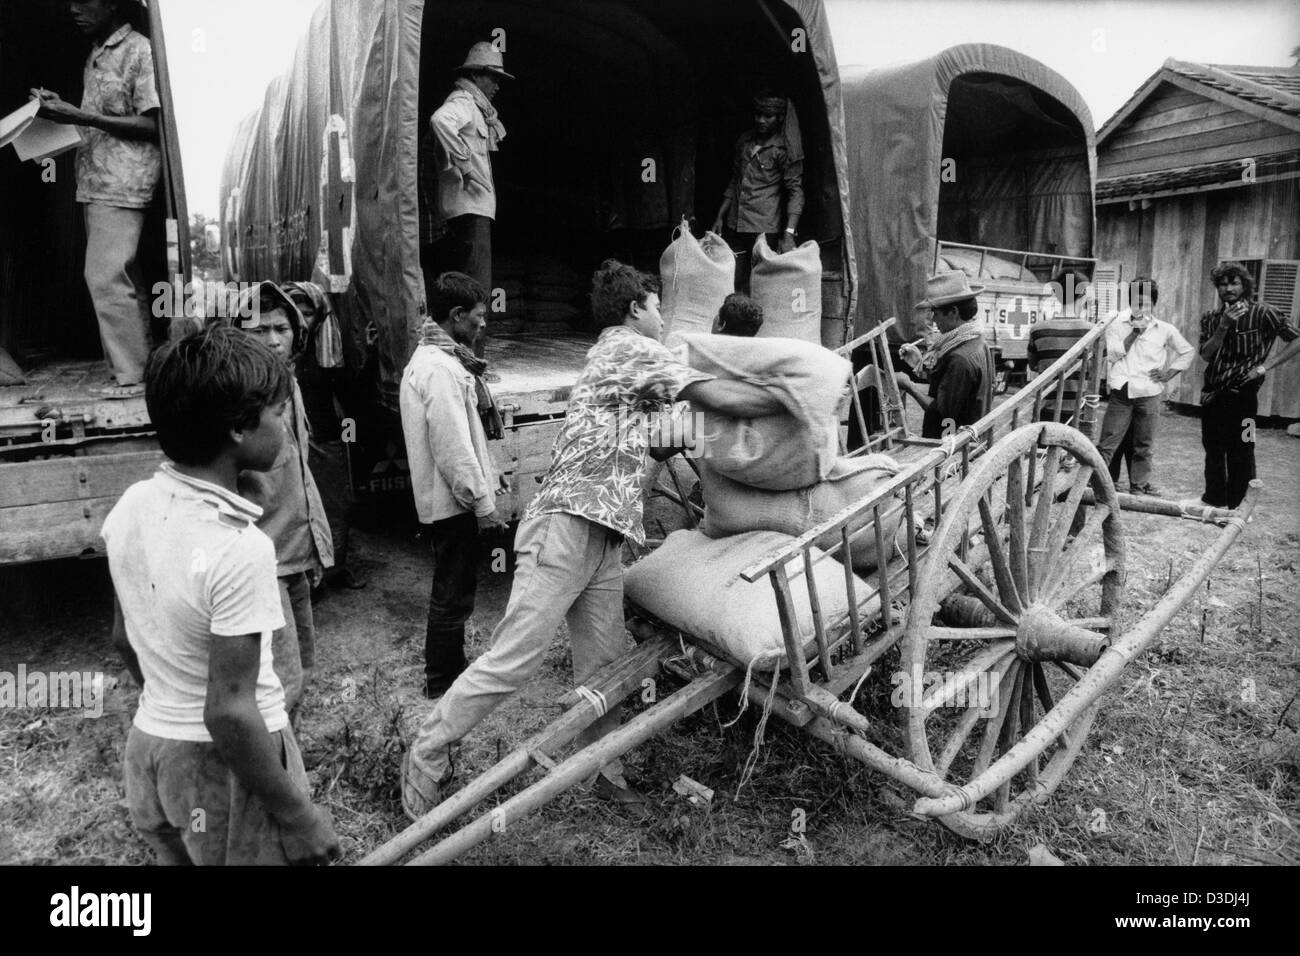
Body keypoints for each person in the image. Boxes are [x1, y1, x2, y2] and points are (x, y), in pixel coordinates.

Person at [401, 259, 787, 819]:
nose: (662, 317)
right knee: (514, 659)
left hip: (603, 533)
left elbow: (662, 438)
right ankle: (428, 749)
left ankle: (605, 770)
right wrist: (792, 399)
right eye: (656, 306)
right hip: (565, 526)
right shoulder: (628, 349)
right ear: (636, 309)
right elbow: (720, 399)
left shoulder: (618, 365)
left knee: (604, 663)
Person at [103, 324, 341, 865]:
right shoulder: (241, 549)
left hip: (153, 749)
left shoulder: (133, 506)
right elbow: (230, 713)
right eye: (280, 413)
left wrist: (172, 701)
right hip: (224, 771)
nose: (285, 425)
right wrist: (300, 816)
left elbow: (123, 637)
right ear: (238, 428)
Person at [32, 0, 161, 399]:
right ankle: (138, 372)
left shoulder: (138, 49)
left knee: (104, 276)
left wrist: (81, 117)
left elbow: (152, 124)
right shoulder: (98, 52)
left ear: (111, 6)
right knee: (123, 278)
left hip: (123, 180)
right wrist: (63, 111)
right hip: (97, 179)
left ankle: (131, 378)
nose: (74, 9)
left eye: (85, 2)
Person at [221, 282, 334, 719]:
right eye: (258, 330)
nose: (271, 339)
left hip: (295, 555)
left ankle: (288, 752)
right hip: (264, 562)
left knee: (304, 666)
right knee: (278, 682)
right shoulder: (236, 399)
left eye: (280, 328)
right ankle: (275, 771)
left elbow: (300, 472)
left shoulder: (288, 383)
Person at [399, 272, 508, 700]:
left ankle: (448, 669)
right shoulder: (440, 370)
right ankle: (442, 681)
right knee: (452, 592)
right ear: (456, 316)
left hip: (445, 500)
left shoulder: (441, 361)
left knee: (454, 587)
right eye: (478, 317)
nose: (484, 324)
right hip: (451, 504)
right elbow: (453, 449)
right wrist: (482, 504)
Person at [422, 41, 514, 358]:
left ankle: (462, 356)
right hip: (469, 211)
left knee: (465, 290)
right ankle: (476, 360)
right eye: (493, 78)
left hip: (470, 211)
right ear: (476, 75)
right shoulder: (463, 101)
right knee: (478, 292)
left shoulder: (477, 108)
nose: (497, 86)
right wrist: (466, 165)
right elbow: (439, 121)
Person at [283, 281, 367, 591]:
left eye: (308, 312)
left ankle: (335, 570)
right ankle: (305, 575)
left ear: (319, 315)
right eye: (296, 312)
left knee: (335, 507)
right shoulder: (281, 344)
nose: (302, 318)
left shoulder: (328, 348)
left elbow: (349, 391)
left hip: (325, 438)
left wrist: (366, 355)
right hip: (288, 438)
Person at [1198, 262, 1300, 508]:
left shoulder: (1264, 312)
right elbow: (1206, 354)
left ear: (1245, 286)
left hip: (1243, 396)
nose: (1228, 289)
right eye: (1223, 284)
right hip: (1213, 394)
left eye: (1234, 283)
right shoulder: (1211, 318)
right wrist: (1223, 325)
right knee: (1213, 449)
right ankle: (1213, 499)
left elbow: (1296, 339)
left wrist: (1264, 368)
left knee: (1243, 448)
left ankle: (1239, 506)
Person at [1095, 278, 1193, 497]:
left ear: (1153, 305)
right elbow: (1111, 356)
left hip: (1149, 392)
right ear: (1130, 302)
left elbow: (1187, 351)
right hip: (1122, 391)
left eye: (1146, 304)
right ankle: (1101, 484)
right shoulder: (1117, 325)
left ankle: (1138, 487)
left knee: (1144, 444)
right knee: (1109, 441)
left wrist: (1168, 374)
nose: (1141, 308)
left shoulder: (1164, 329)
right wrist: (1135, 333)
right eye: (1137, 303)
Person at [711, 90, 805, 292]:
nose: (761, 120)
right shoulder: (745, 141)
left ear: (780, 118)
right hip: (735, 223)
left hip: (763, 228)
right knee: (733, 280)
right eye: (758, 115)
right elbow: (735, 181)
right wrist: (720, 216)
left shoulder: (784, 149)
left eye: (768, 116)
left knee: (759, 284)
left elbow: (795, 192)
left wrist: (789, 233)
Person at [900, 272, 995, 440]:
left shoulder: (959, 359)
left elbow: (941, 412)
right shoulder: (978, 341)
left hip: (952, 446)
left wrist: (908, 385)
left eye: (935, 313)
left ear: (953, 312)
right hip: (972, 438)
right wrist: (919, 362)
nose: (933, 320)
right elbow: (955, 390)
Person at [1027, 270, 1093, 424]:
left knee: (1042, 448)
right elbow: (1097, 371)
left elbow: (1033, 365)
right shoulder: (1093, 332)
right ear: (1083, 296)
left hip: (1044, 410)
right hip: (1079, 411)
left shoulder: (1038, 330)